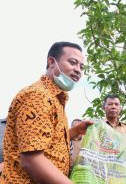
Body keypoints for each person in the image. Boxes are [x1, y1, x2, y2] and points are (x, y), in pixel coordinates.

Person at [1, 42, 93, 183]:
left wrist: (75, 131)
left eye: (81, 67)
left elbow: (44, 141)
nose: (78, 70)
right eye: (72, 62)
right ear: (51, 62)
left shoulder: (56, 98)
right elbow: (32, 159)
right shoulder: (38, 96)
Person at [102, 94, 126, 183]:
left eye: (116, 104)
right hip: (100, 176)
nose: (113, 107)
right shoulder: (96, 127)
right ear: (104, 107)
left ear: (120, 108)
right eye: (110, 104)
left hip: (121, 177)